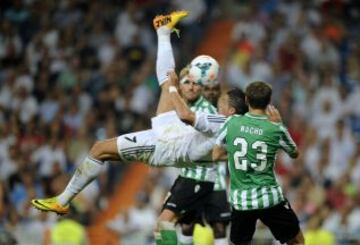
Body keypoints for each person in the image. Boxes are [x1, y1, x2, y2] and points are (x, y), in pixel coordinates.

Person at [30, 11, 240, 218]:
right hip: (172, 133)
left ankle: (62, 201)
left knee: (99, 148)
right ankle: (163, 31)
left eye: (196, 84)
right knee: (167, 84)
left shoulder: (214, 117)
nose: (193, 87)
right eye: (189, 83)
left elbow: (194, 124)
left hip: (166, 146)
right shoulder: (209, 113)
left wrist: (177, 88)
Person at [213, 81, 305, 245]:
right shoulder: (275, 128)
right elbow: (295, 153)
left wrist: (239, 155)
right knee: (296, 240)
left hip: (241, 202)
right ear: (269, 101)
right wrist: (279, 124)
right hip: (270, 199)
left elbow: (215, 154)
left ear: (246, 100)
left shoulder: (231, 123)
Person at [157, 69, 241, 245]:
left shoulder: (215, 115)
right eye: (208, 88)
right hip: (193, 175)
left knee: (218, 227)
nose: (211, 91)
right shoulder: (195, 109)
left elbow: (217, 152)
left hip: (211, 179)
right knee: (186, 225)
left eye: (214, 89)